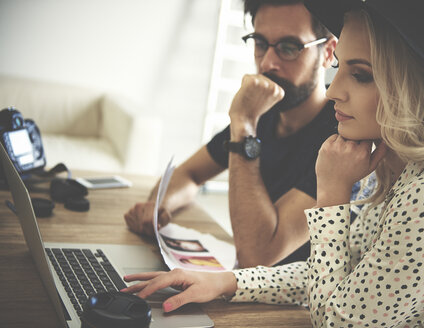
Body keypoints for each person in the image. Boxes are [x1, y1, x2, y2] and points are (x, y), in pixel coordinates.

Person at [121, 0, 424, 326]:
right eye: (341, 67)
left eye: (360, 75)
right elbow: (343, 277)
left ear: (418, 89)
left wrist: (331, 191)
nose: (333, 91)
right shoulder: (400, 167)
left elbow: (339, 321)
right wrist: (226, 282)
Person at [125, 0, 353, 268]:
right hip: (244, 287)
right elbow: (189, 174)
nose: (267, 63)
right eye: (259, 43)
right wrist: (160, 206)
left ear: (328, 53)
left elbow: (258, 256)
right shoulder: (264, 114)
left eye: (289, 48)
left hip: (299, 303)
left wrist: (243, 124)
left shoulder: (342, 137)